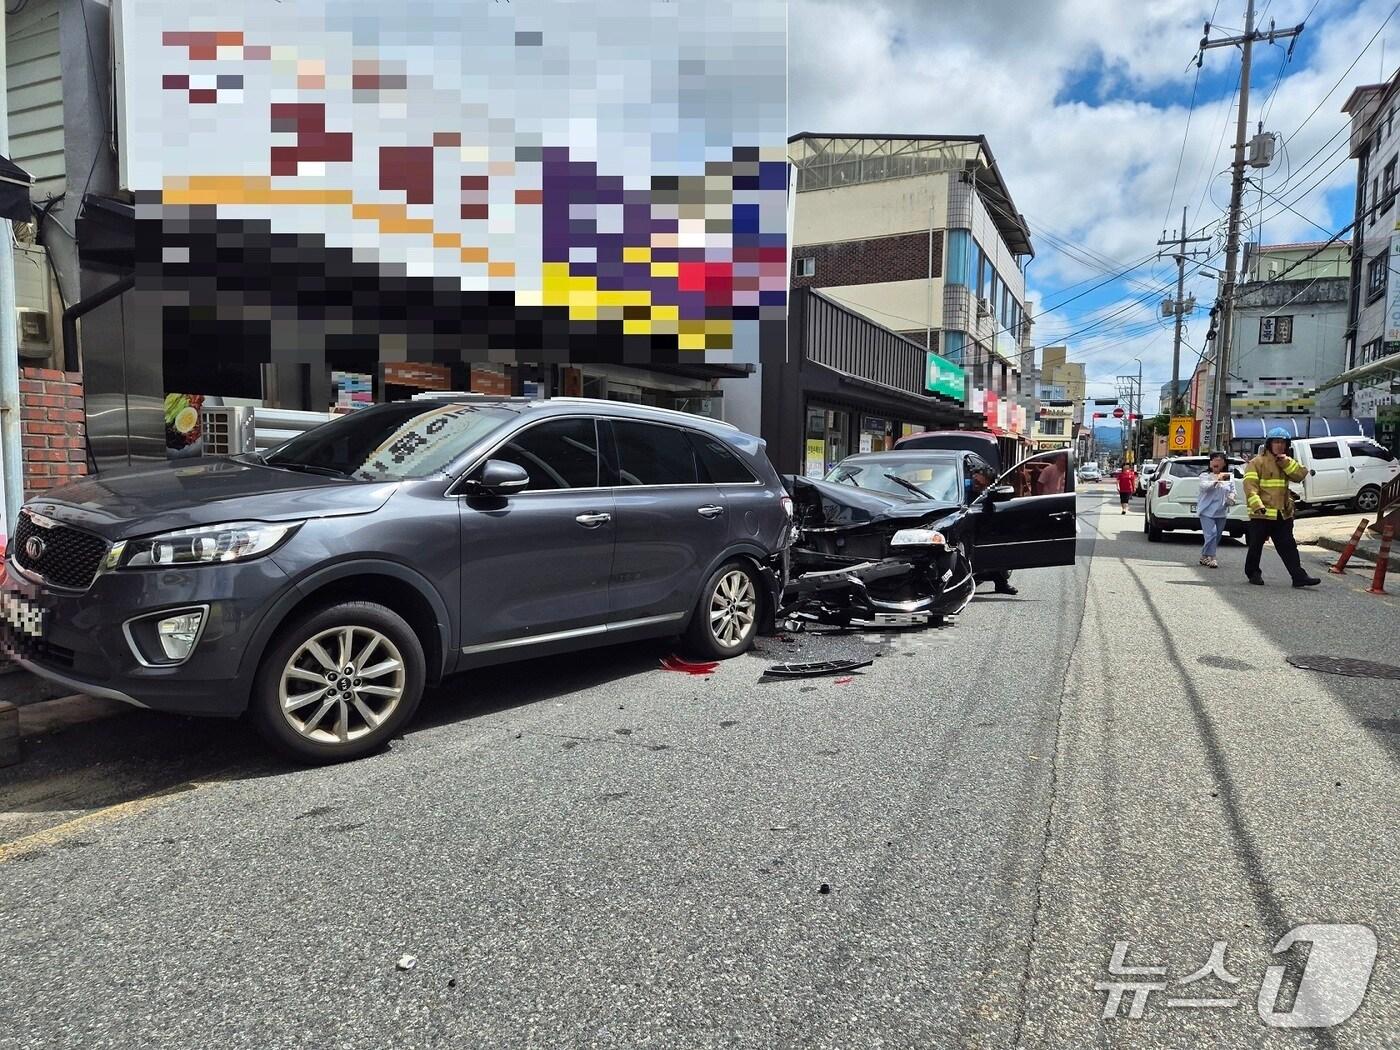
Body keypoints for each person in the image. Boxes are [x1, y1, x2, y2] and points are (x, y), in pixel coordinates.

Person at [1242, 427, 1320, 588]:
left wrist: (1286, 462)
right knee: (1255, 546)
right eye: (1276, 442)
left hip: (1282, 514)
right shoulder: (1257, 462)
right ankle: (1253, 573)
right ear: (1269, 444)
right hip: (1261, 514)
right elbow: (1250, 486)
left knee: (1289, 547)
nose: (1279, 445)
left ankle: (1298, 577)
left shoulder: (1285, 462)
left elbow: (1299, 475)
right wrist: (1257, 505)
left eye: (1283, 442)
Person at [968, 462, 1017, 595]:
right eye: (975, 481)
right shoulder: (961, 486)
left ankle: (1001, 583)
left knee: (995, 546)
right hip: (962, 522)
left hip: (982, 525)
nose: (976, 485)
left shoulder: (991, 492)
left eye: (981, 484)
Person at [1196, 451, 1233, 568]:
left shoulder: (1228, 476)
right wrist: (1216, 480)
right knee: (1211, 534)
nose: (1217, 462)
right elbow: (1204, 487)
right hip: (1206, 511)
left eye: (1220, 460)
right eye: (1214, 459)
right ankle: (1212, 557)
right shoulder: (1205, 476)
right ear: (1210, 462)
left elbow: (1232, 490)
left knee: (1217, 536)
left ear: (1224, 463)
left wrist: (1231, 497)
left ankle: (1204, 555)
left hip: (1221, 511)